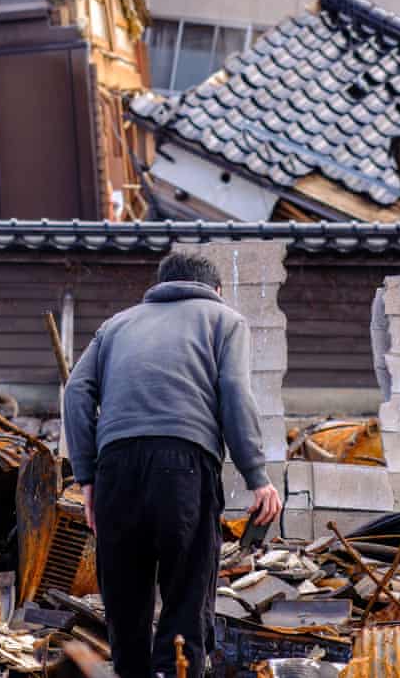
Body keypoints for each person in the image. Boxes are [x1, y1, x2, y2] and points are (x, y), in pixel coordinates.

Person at [63, 251, 282, 678]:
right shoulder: (224, 320)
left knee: (125, 600)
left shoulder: (116, 325)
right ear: (216, 290)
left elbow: (75, 393)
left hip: (115, 467)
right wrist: (257, 475)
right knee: (185, 592)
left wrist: (87, 478)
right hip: (184, 464)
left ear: (160, 286)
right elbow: (235, 392)